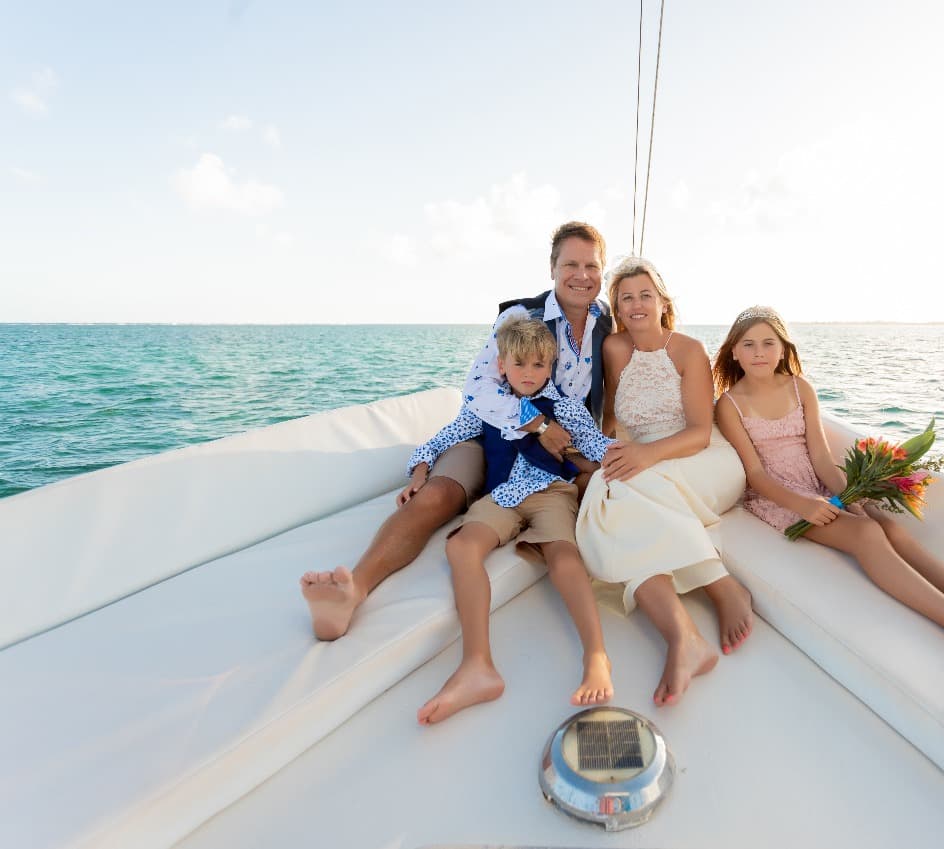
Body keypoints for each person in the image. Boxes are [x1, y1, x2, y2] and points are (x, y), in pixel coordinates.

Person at [712, 306, 944, 671]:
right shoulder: (729, 405)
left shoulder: (799, 387)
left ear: (783, 348)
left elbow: (822, 458)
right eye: (748, 344)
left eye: (767, 342)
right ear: (733, 351)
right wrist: (805, 506)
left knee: (893, 531)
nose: (758, 352)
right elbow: (756, 475)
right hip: (779, 497)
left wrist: (850, 495)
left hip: (819, 485)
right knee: (868, 535)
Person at [299, 222, 612, 642]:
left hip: (560, 442)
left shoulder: (606, 323)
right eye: (570, 263)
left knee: (605, 479)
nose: (581, 274)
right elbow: (478, 391)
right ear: (552, 268)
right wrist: (538, 424)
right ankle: (351, 591)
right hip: (492, 430)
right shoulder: (520, 317)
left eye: (591, 265)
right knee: (441, 494)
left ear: (602, 271)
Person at [408, 316, 615, 724]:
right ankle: (477, 665)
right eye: (519, 364)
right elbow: (442, 438)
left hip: (551, 493)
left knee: (564, 555)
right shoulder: (490, 408)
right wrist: (418, 472)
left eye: (539, 365)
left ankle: (596, 654)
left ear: (550, 367)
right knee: (461, 546)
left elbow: (600, 446)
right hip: (501, 497)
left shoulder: (566, 410)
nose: (528, 373)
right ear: (501, 365)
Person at [576, 257, 754, 708]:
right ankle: (684, 634)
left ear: (662, 302)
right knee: (606, 492)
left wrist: (643, 455)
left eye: (645, 295)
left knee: (627, 489)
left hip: (704, 457)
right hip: (649, 458)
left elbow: (698, 430)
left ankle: (721, 586)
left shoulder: (688, 350)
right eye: (626, 297)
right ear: (616, 306)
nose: (636, 304)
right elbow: (614, 413)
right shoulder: (614, 348)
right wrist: (611, 451)